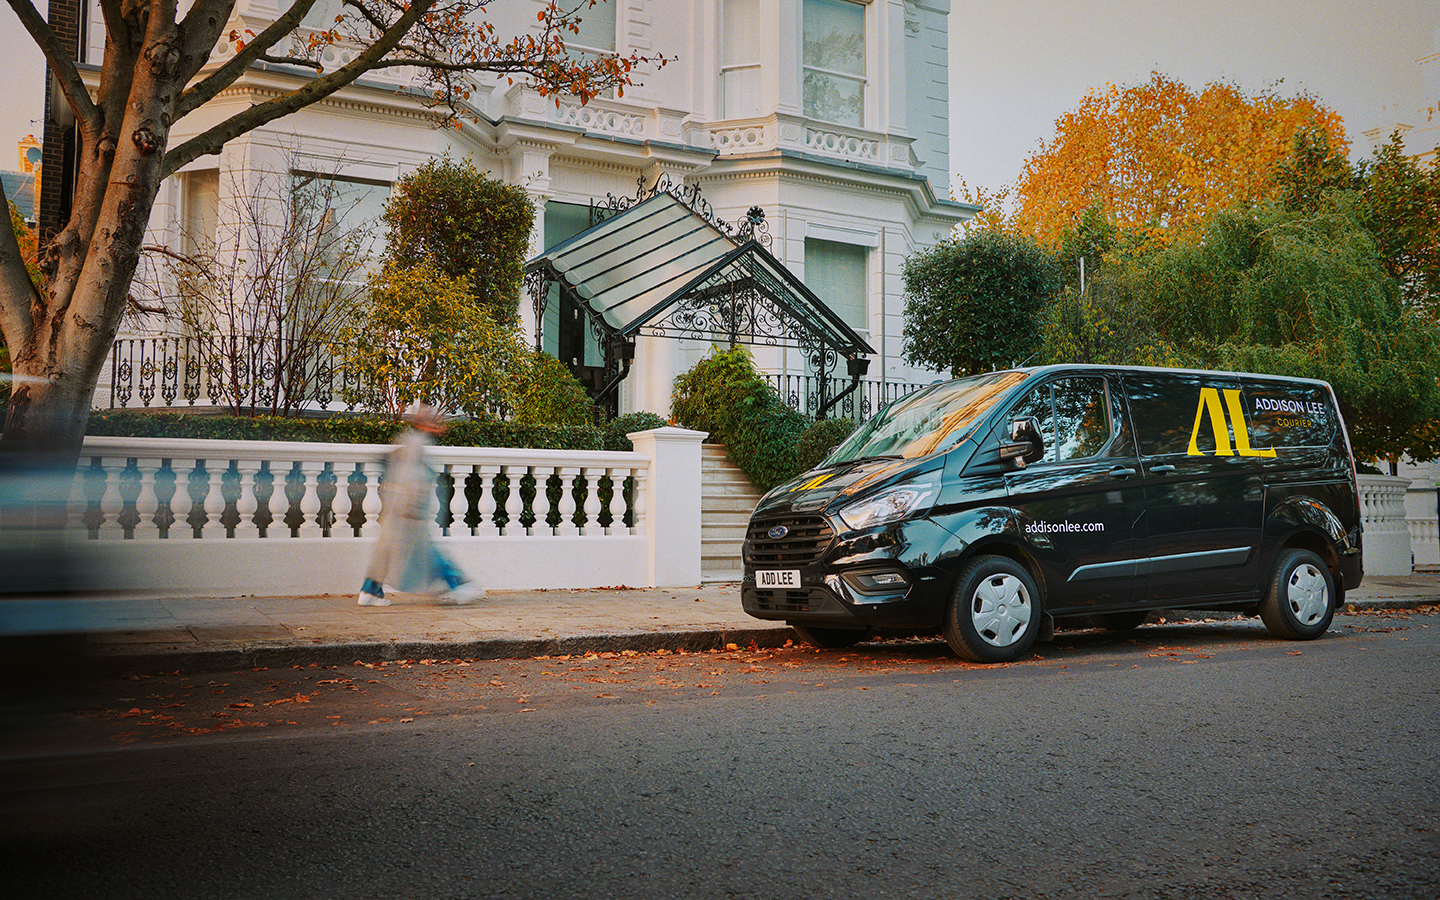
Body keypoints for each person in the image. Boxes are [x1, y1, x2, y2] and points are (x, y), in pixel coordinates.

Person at [357, 405, 483, 607]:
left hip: (397, 511)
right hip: (408, 512)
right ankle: (458, 584)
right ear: (426, 424)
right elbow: (411, 477)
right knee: (427, 552)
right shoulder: (416, 444)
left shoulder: (407, 441)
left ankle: (370, 590)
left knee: (387, 552)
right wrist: (413, 507)